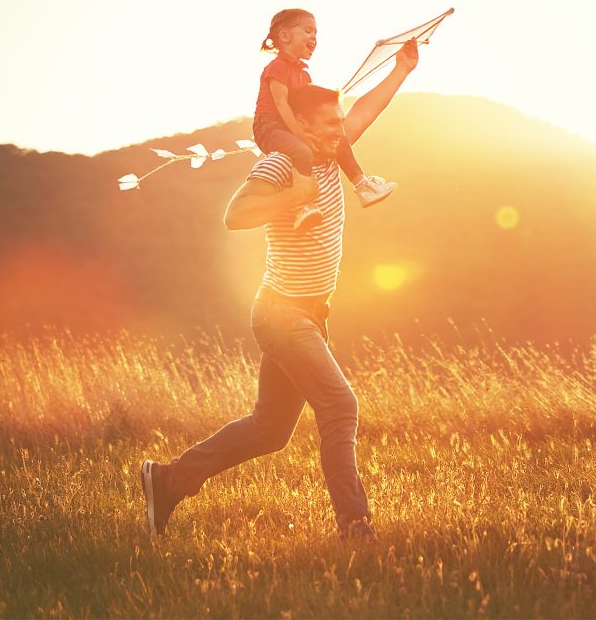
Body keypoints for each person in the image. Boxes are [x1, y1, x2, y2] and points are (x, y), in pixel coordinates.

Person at [140, 39, 420, 542]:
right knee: (340, 408)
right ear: (302, 126)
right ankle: (356, 528)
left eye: (340, 122)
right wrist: (294, 195)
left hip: (310, 314)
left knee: (270, 430)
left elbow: (365, 111)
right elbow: (235, 215)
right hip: (281, 313)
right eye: (331, 123)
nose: (341, 130)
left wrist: (401, 68)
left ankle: (169, 478)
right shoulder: (280, 164)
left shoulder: (332, 155)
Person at [254, 8, 397, 232]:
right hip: (270, 127)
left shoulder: (304, 74)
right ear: (284, 36)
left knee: (341, 138)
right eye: (308, 31)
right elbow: (281, 104)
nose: (314, 38)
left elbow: (308, 108)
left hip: (294, 124)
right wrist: (301, 135)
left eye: (316, 33)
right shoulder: (277, 67)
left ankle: (362, 185)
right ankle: (303, 206)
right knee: (302, 151)